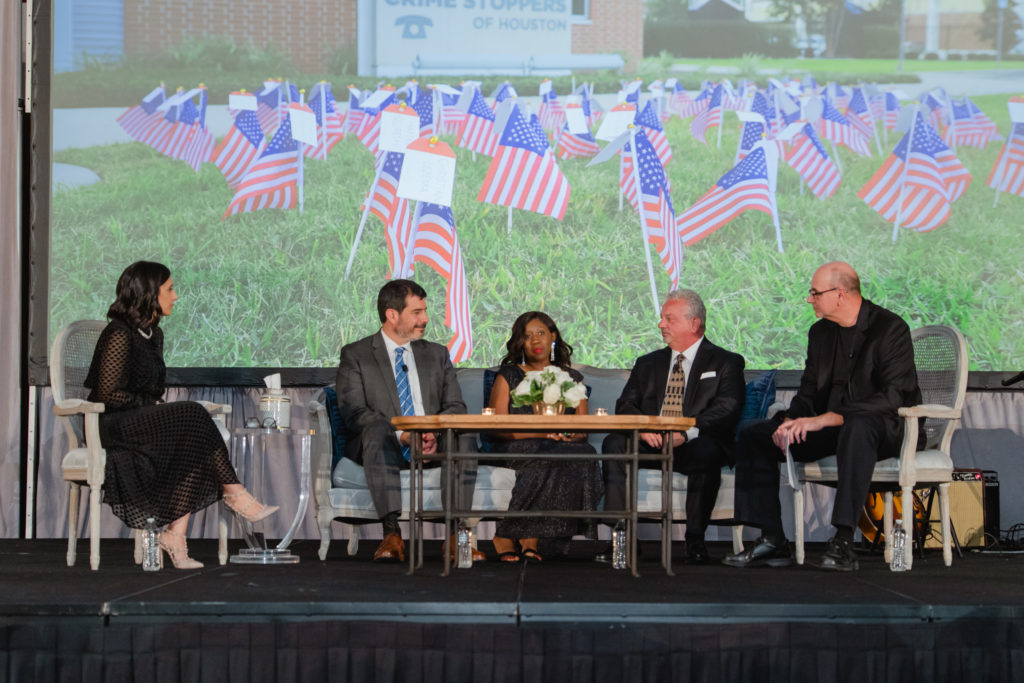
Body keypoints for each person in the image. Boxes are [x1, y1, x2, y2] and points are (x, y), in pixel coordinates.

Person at [723, 261, 922, 572]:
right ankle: (773, 539)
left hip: (885, 430)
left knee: (857, 427)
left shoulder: (889, 328)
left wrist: (827, 418)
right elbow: (808, 393)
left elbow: (892, 398)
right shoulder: (820, 333)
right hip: (832, 430)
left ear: (840, 294)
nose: (809, 299)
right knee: (754, 434)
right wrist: (790, 421)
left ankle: (843, 541)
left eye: (815, 293)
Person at [84, 261, 277, 570]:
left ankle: (176, 535)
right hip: (114, 425)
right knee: (192, 413)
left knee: (192, 439)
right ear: (149, 293)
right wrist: (150, 406)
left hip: (140, 420)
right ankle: (234, 492)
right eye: (170, 289)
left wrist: (153, 406)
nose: (175, 296)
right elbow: (107, 394)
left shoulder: (154, 335)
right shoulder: (119, 333)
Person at [602, 289, 746, 565]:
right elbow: (626, 405)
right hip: (651, 441)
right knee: (614, 443)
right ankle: (624, 538)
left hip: (693, 443)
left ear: (694, 323)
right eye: (662, 318)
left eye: (669, 319)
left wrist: (685, 434)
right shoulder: (648, 363)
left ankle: (695, 539)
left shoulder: (725, 362)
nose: (661, 324)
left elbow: (727, 408)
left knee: (707, 450)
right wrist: (644, 429)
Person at [336, 279, 474, 563]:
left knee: (463, 433)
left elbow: (455, 406)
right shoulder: (357, 355)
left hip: (434, 443)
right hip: (387, 445)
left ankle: (456, 537)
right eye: (417, 312)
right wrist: (404, 435)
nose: (425, 319)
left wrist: (434, 432)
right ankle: (391, 533)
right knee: (375, 429)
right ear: (392, 315)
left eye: (425, 311)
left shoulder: (436, 354)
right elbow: (354, 412)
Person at [487, 312, 603, 563]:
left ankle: (525, 536)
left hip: (558, 446)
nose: (535, 340)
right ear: (520, 342)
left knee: (585, 453)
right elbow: (497, 426)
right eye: (527, 336)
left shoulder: (572, 378)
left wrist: (571, 436)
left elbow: (583, 430)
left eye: (540, 333)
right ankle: (523, 536)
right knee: (545, 451)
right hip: (516, 444)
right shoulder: (509, 375)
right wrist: (542, 434)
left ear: (553, 336)